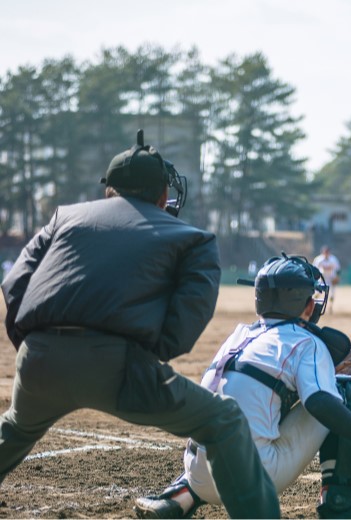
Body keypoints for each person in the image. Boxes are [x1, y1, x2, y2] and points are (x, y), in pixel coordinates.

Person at [0, 130, 279, 518]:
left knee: (14, 430)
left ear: (109, 190)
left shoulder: (65, 216)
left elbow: (15, 283)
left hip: (39, 357)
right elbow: (190, 313)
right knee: (224, 419)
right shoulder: (192, 237)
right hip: (119, 365)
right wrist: (149, 355)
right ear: (164, 195)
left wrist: (33, 343)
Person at [135, 253, 351, 519]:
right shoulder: (306, 341)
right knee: (344, 391)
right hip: (253, 479)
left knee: (240, 412)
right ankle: (338, 505)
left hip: (197, 473)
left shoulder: (239, 335)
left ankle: (178, 498)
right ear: (307, 306)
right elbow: (320, 402)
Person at [312, 245, 341, 312]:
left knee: (332, 294)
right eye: (325, 252)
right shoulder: (318, 259)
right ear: (322, 252)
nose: (326, 253)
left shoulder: (333, 259)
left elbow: (338, 269)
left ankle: (330, 307)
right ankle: (312, 306)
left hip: (331, 278)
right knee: (317, 293)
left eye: (327, 252)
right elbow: (313, 269)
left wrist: (337, 277)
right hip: (322, 278)